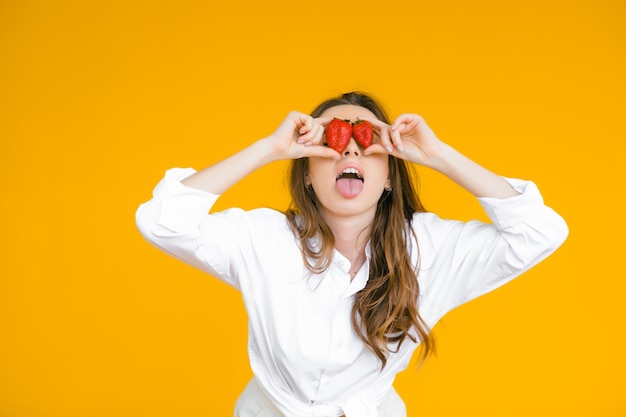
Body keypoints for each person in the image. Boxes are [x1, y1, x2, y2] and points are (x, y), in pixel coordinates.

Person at [135, 92, 568, 417]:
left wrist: (437, 155)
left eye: (369, 140)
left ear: (389, 179)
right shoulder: (265, 239)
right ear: (306, 175)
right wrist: (271, 148)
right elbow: (161, 220)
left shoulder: (427, 249)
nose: (350, 148)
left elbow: (540, 232)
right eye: (330, 140)